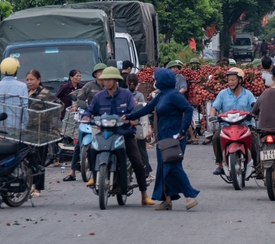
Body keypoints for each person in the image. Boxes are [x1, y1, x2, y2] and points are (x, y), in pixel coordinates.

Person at [126, 68, 199, 211]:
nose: (155, 81)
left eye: (157, 79)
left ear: (163, 81)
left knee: (173, 166)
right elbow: (146, 109)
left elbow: (188, 109)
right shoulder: (160, 96)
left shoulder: (174, 95)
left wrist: (183, 130)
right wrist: (129, 117)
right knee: (163, 168)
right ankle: (167, 200)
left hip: (174, 137)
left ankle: (190, 196)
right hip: (163, 137)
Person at [83, 67, 155, 206]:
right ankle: (94, 173)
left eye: (109, 79)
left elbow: (134, 111)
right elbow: (90, 110)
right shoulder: (98, 97)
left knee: (138, 163)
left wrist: (134, 120)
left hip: (124, 134)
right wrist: (86, 116)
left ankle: (144, 195)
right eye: (105, 80)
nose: (107, 82)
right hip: (105, 134)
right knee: (89, 150)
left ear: (116, 80)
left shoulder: (126, 95)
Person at [209, 68, 256, 176]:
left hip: (245, 126)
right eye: (229, 80)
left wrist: (255, 112)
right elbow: (214, 107)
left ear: (240, 80)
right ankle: (220, 164)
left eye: (233, 80)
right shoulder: (223, 94)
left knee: (255, 140)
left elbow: (254, 105)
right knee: (216, 138)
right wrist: (212, 115)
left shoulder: (248, 94)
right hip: (226, 127)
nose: (230, 82)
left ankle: (256, 165)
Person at [66, 64, 106, 181]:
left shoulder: (110, 86)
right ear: (95, 74)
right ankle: (72, 171)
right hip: (90, 117)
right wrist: (75, 106)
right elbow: (79, 98)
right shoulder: (89, 86)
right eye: (99, 72)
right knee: (79, 142)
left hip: (107, 118)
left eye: (103, 72)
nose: (102, 74)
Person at [25, 69, 60, 197]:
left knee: (39, 160)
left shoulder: (45, 94)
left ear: (39, 80)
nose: (29, 82)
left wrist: (45, 117)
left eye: (32, 79)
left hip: (41, 132)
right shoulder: (25, 93)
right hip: (26, 131)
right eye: (27, 79)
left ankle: (37, 187)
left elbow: (58, 106)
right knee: (27, 159)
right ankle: (27, 185)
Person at [126, 74, 153, 181]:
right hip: (137, 126)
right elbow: (144, 111)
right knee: (141, 150)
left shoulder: (124, 94)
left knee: (132, 150)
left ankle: (145, 171)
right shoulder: (139, 95)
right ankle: (146, 171)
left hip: (129, 126)